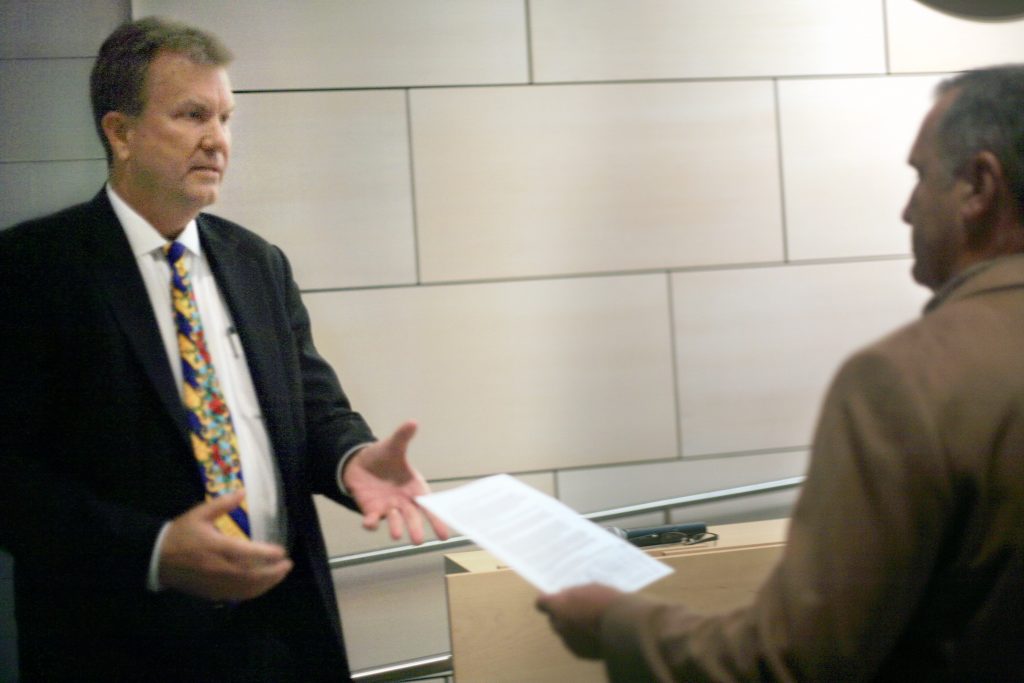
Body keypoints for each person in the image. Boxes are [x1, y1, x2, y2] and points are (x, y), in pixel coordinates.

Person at [537, 64, 1024, 681]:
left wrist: (614, 624)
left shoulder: (903, 381)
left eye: (921, 176)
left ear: (980, 186)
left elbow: (790, 661)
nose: (906, 211)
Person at [0, 16, 447, 682]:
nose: (217, 140)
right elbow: (12, 480)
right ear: (119, 132)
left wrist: (354, 457)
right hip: (119, 645)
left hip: (280, 635)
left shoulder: (257, 262)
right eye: (191, 115)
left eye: (226, 117)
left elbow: (312, 407)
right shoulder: (36, 270)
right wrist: (153, 549)